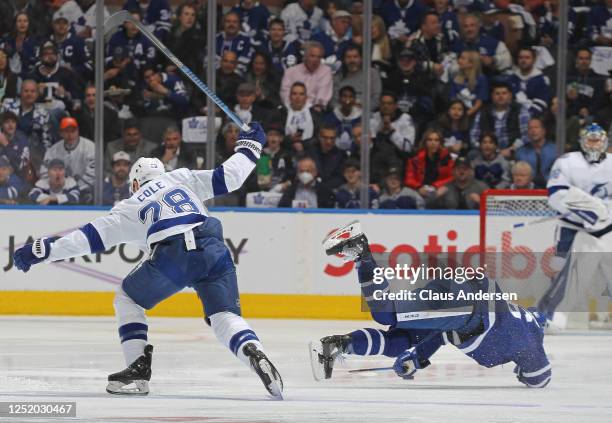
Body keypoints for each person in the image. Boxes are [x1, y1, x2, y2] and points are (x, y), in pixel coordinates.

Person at [12, 122, 284, 398]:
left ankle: (137, 370)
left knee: (127, 298)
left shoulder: (129, 205)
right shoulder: (180, 177)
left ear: (134, 184)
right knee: (224, 316)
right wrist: (250, 145)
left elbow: (87, 239)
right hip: (212, 246)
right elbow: (232, 176)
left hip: (174, 253)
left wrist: (43, 250)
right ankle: (253, 351)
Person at [311, 221, 551, 388]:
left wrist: (416, 357)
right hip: (466, 307)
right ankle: (362, 254)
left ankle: (338, 346)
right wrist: (522, 373)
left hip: (462, 307)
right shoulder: (530, 342)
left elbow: (443, 336)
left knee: (400, 342)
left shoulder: (518, 321)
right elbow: (541, 377)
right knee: (386, 313)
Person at [539, 124, 612, 329]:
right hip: (572, 226)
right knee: (562, 270)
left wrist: (601, 213)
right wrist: (586, 210)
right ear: (582, 141)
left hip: (605, 229)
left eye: (597, 140)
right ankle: (550, 315)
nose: (594, 144)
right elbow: (555, 195)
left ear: (605, 142)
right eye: (590, 139)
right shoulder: (567, 162)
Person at [470, 81, 530, 156]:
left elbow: (527, 134)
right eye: (497, 93)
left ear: (510, 95)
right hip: (487, 153)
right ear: (492, 96)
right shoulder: (483, 112)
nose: (501, 96)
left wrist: (512, 148)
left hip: (513, 151)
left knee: (523, 154)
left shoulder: (520, 110)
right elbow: (473, 136)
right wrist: (486, 149)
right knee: (472, 154)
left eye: (504, 93)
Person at [39, 117, 95, 199]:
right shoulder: (53, 150)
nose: (70, 135)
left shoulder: (90, 148)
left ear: (78, 131)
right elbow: (44, 173)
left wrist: (73, 189)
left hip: (84, 192)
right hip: (58, 192)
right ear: (60, 133)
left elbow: (93, 176)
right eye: (66, 131)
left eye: (73, 131)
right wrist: (58, 187)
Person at [404, 128, 454, 207]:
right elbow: (409, 178)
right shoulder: (416, 158)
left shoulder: (446, 157)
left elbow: (451, 177)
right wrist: (419, 187)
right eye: (430, 140)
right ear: (425, 142)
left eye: (436, 140)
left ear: (440, 143)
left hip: (438, 189)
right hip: (419, 188)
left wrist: (435, 186)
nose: (433, 143)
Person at [280, 41, 333, 111]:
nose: (316, 60)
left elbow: (322, 96)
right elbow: (285, 93)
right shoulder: (290, 72)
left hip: (315, 111)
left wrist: (310, 109)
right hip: (291, 109)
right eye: (312, 56)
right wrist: (293, 108)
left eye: (319, 57)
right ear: (305, 56)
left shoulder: (326, 71)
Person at [506, 47, 551, 116]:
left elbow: (542, 102)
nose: (523, 60)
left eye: (527, 58)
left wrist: (528, 113)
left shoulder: (542, 79)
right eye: (521, 57)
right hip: (513, 117)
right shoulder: (511, 79)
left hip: (535, 117)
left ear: (534, 60)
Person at [515, 118, 557, 188]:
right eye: (530, 128)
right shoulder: (520, 152)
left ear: (544, 131)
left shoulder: (556, 150)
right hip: (528, 190)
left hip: (552, 187)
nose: (533, 131)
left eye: (536, 127)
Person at [450, 50, 488, 118]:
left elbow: (479, 102)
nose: (459, 61)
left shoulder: (481, 78)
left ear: (471, 63)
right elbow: (453, 99)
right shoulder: (455, 77)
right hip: (458, 114)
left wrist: (466, 115)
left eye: (463, 59)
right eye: (459, 58)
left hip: (475, 113)